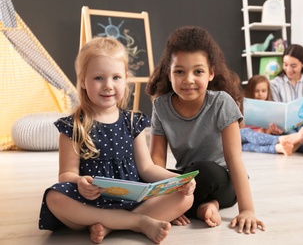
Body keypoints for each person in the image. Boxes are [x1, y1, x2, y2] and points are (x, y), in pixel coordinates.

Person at [38, 37, 196, 244]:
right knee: (54, 198)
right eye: (98, 78)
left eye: (116, 77)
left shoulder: (133, 121)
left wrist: (177, 180)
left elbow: (147, 169)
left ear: (126, 78)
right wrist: (79, 182)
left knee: (186, 197)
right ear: (83, 80)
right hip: (89, 201)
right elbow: (66, 174)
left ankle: (111, 225)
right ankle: (139, 223)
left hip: (131, 199)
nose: (108, 86)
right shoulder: (73, 126)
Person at [145, 26, 265, 234]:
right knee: (143, 175)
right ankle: (205, 207)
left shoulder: (222, 103)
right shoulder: (161, 106)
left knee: (205, 171)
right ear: (169, 73)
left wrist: (247, 210)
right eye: (179, 71)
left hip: (223, 180)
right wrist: (163, 193)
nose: (188, 79)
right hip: (187, 180)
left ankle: (193, 205)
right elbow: (156, 161)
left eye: (198, 71)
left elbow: (234, 159)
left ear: (211, 73)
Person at [240, 75, 303, 155]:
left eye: (263, 91)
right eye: (256, 91)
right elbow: (241, 129)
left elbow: (268, 128)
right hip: (250, 135)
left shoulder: (270, 107)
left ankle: (279, 148)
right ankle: (282, 143)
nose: (260, 94)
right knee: (246, 143)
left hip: (263, 136)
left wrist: (267, 131)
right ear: (250, 91)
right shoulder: (244, 106)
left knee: (249, 146)